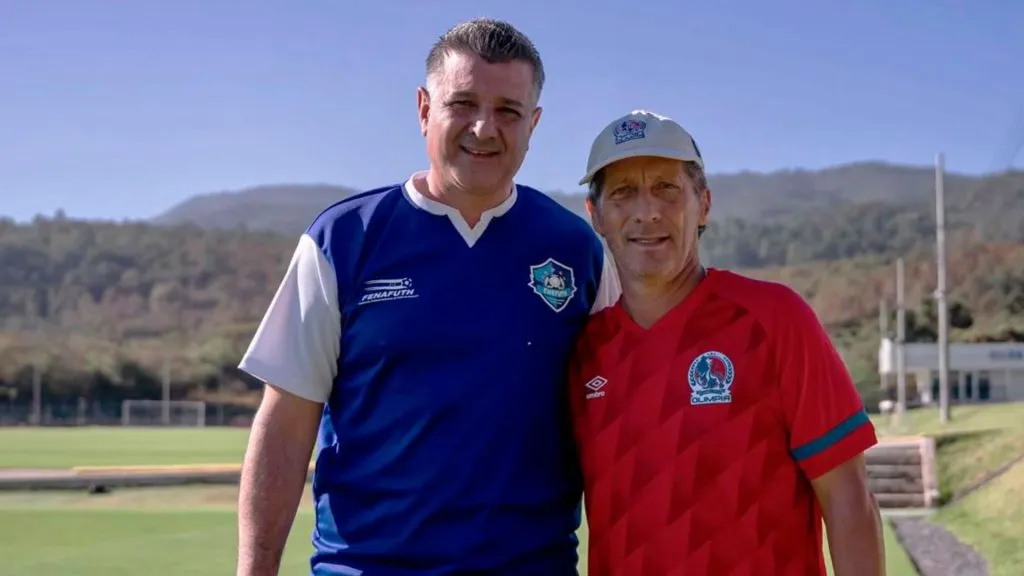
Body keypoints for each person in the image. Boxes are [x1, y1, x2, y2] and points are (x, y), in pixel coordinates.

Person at [234, 18, 620, 576]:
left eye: (508, 110)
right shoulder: (343, 239)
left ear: (533, 124)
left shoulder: (577, 248)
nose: (484, 128)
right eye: (462, 103)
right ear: (423, 108)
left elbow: (614, 417)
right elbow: (286, 424)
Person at [568, 110, 886, 576]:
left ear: (705, 204)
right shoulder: (583, 354)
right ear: (595, 215)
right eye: (623, 193)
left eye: (667, 188)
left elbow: (848, 497)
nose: (647, 211)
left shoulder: (775, 319)